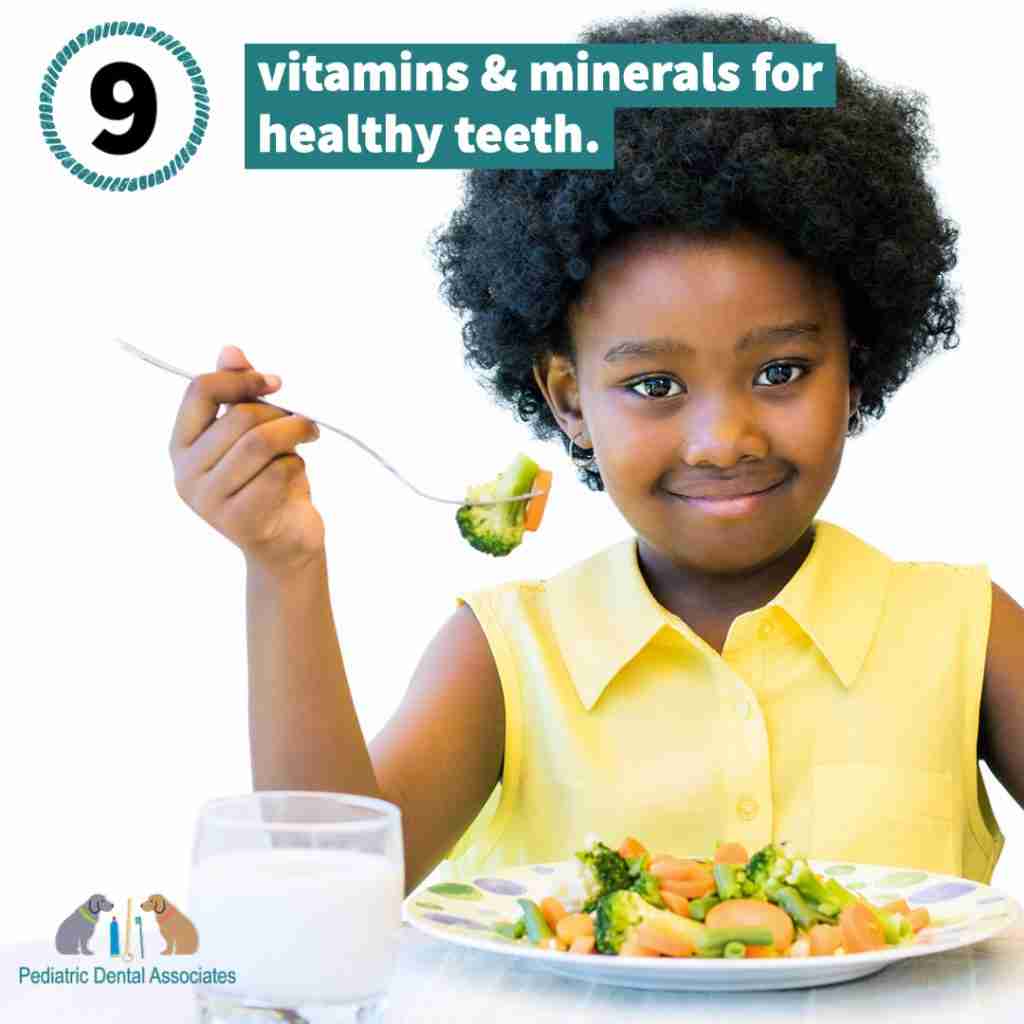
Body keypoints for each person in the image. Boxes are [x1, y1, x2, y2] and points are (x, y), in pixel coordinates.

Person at [168, 10, 1024, 898]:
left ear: (857, 366)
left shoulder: (963, 628)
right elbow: (324, 890)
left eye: (781, 370)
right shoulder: (508, 654)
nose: (724, 440)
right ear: (569, 399)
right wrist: (283, 566)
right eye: (654, 385)